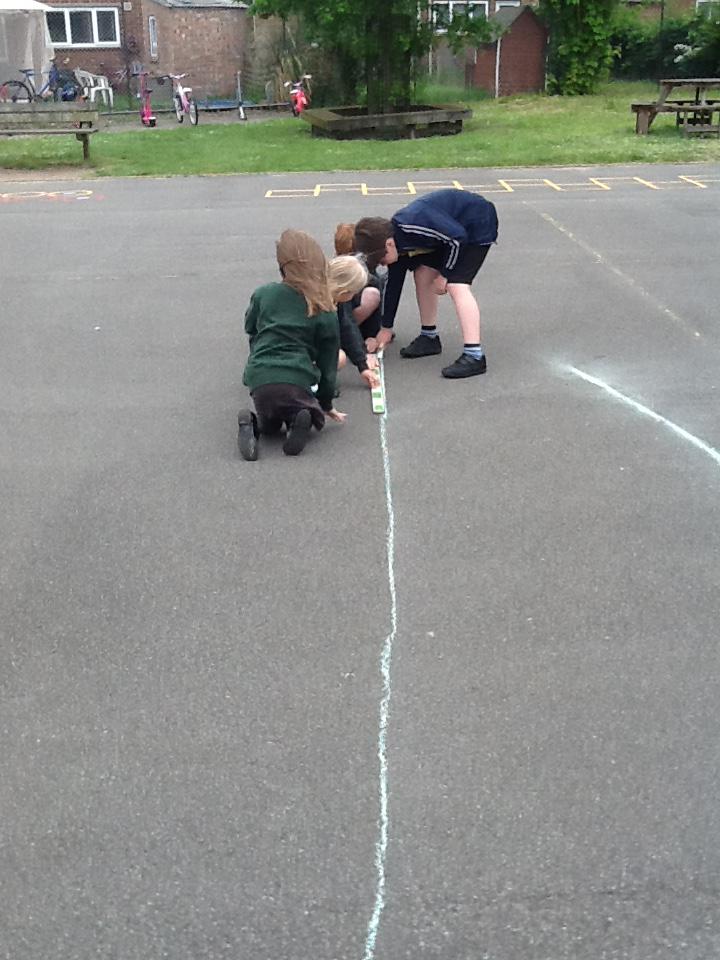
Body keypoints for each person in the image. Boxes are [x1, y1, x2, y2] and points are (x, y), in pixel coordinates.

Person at [353, 188, 498, 379]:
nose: (382, 264)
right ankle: (429, 337)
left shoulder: (412, 226)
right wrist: (386, 328)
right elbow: (394, 285)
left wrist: (445, 274)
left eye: (381, 259)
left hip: (475, 223)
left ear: (389, 244)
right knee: (423, 273)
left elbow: (457, 238)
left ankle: (475, 355)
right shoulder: (395, 244)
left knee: (457, 285)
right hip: (451, 235)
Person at [237, 229, 345, 461]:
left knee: (270, 425)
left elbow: (251, 327)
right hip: (296, 376)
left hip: (259, 376)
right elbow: (328, 365)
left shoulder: (264, 294)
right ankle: (299, 418)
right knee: (310, 412)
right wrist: (326, 402)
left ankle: (252, 424)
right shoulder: (323, 308)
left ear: (282, 265)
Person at [327, 254, 380, 391]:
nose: (353, 297)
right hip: (297, 349)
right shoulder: (316, 303)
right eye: (354, 293)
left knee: (339, 356)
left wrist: (363, 366)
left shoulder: (336, 299)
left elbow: (347, 328)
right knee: (339, 357)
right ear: (344, 291)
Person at [334, 222, 385, 354]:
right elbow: (346, 317)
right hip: (340, 321)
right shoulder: (344, 274)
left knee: (376, 285)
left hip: (347, 319)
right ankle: (343, 339)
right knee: (373, 292)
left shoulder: (364, 269)